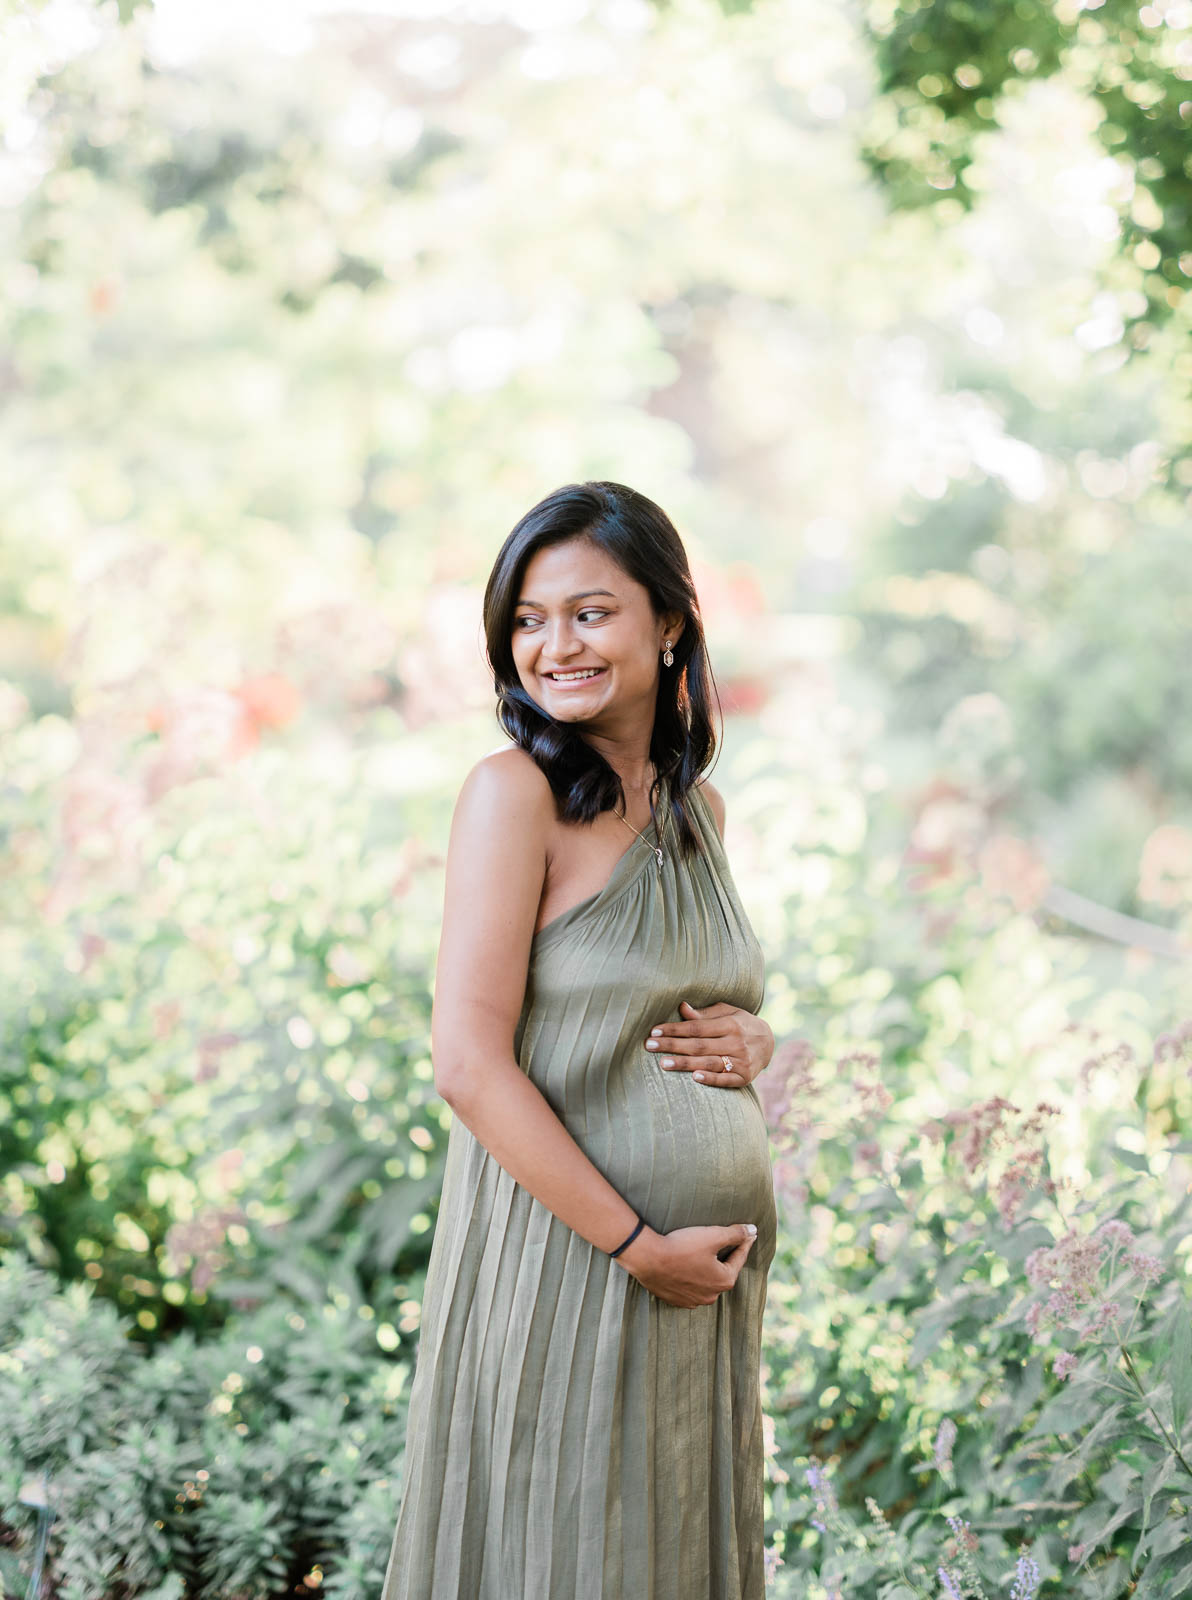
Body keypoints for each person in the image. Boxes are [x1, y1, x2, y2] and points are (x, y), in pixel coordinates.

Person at [380, 481, 777, 1600]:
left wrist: (751, 1036)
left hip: (689, 1292)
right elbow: (465, 1058)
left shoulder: (692, 810)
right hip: (572, 1261)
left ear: (668, 623)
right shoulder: (513, 796)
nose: (553, 644)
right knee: (560, 1556)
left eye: (589, 612)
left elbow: (662, 997)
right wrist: (631, 1242)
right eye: (527, 618)